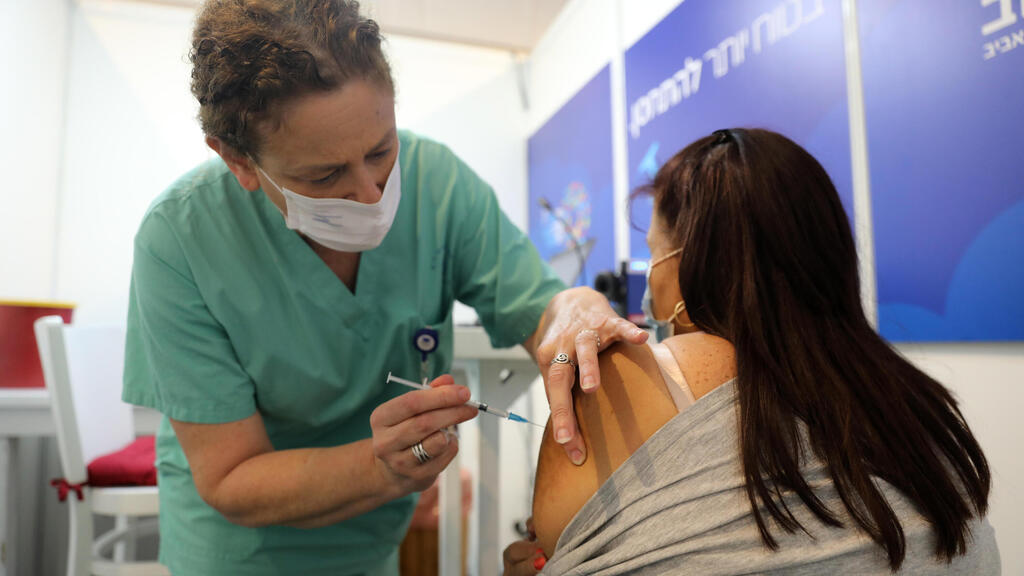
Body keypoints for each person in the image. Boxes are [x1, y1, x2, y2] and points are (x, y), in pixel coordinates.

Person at [121, 1, 646, 574]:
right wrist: (382, 468)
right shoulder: (179, 240)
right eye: (324, 176)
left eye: (381, 152)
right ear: (238, 161)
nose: (372, 194)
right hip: (241, 554)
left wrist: (578, 314)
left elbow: (543, 307)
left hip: (375, 540)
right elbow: (230, 476)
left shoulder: (438, 184)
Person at [503, 128, 999, 575]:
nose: (649, 278)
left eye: (654, 253)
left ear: (686, 260)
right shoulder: (919, 407)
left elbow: (555, 555)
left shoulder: (619, 383)